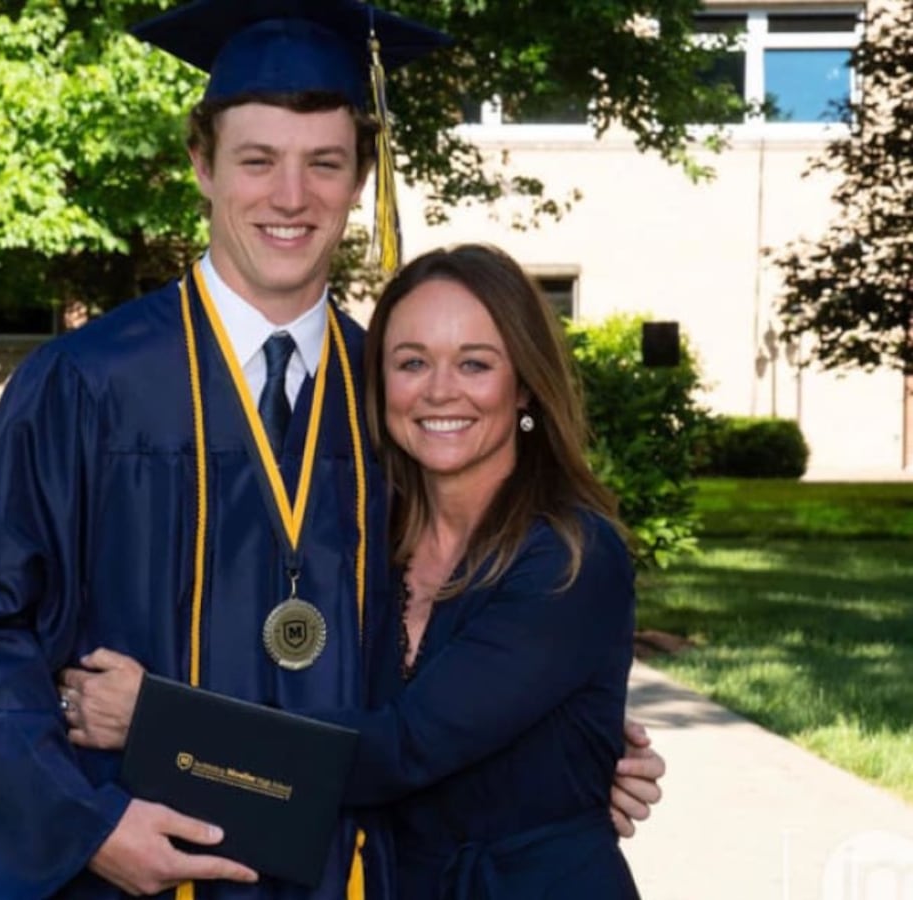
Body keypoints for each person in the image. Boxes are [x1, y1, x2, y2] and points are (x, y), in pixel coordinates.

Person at [0, 2, 662, 898]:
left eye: (325, 164)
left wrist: (569, 758)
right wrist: (89, 827)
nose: (291, 197)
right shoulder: (87, 385)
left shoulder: (395, 396)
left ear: (360, 179)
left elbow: (456, 660)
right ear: (202, 163)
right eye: (258, 161)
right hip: (143, 874)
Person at [62, 243, 643, 897]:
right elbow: (306, 705)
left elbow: (404, 746)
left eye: (475, 364)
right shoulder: (368, 541)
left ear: (526, 385)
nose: (439, 390)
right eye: (411, 362)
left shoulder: (569, 558)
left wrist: (156, 723)